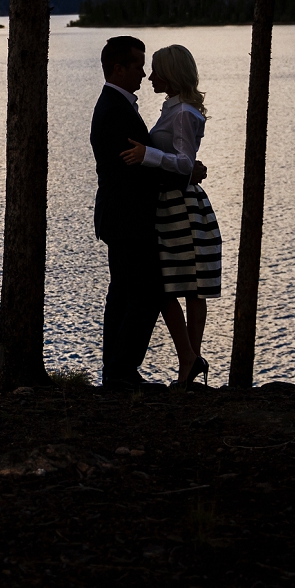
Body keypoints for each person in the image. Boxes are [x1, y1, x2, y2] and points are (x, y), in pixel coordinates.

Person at [89, 36, 208, 389]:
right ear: (118, 68)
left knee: (127, 293)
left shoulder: (119, 105)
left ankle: (118, 371)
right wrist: (188, 171)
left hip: (127, 217)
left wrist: (184, 168)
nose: (144, 73)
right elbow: (132, 166)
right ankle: (122, 373)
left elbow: (144, 159)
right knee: (143, 293)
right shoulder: (114, 109)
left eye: (147, 67)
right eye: (139, 66)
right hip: (128, 219)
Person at [121, 44, 222, 388]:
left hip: (180, 205)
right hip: (173, 202)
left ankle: (189, 361)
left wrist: (146, 153)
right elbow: (186, 163)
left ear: (172, 73)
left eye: (156, 71)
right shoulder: (176, 110)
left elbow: (182, 162)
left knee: (179, 286)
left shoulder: (182, 114)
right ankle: (189, 360)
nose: (149, 76)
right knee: (178, 286)